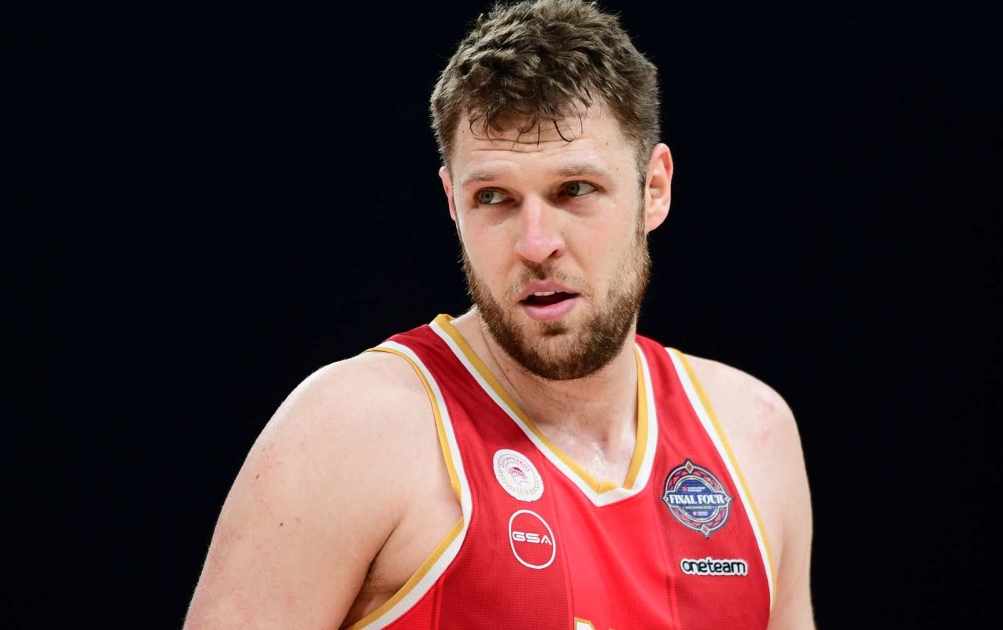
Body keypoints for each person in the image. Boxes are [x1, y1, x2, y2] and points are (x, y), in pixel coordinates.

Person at [182, 1, 815, 628]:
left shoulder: (751, 433)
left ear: (654, 190)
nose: (536, 244)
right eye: (493, 197)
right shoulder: (351, 432)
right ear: (451, 204)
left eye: (575, 190)